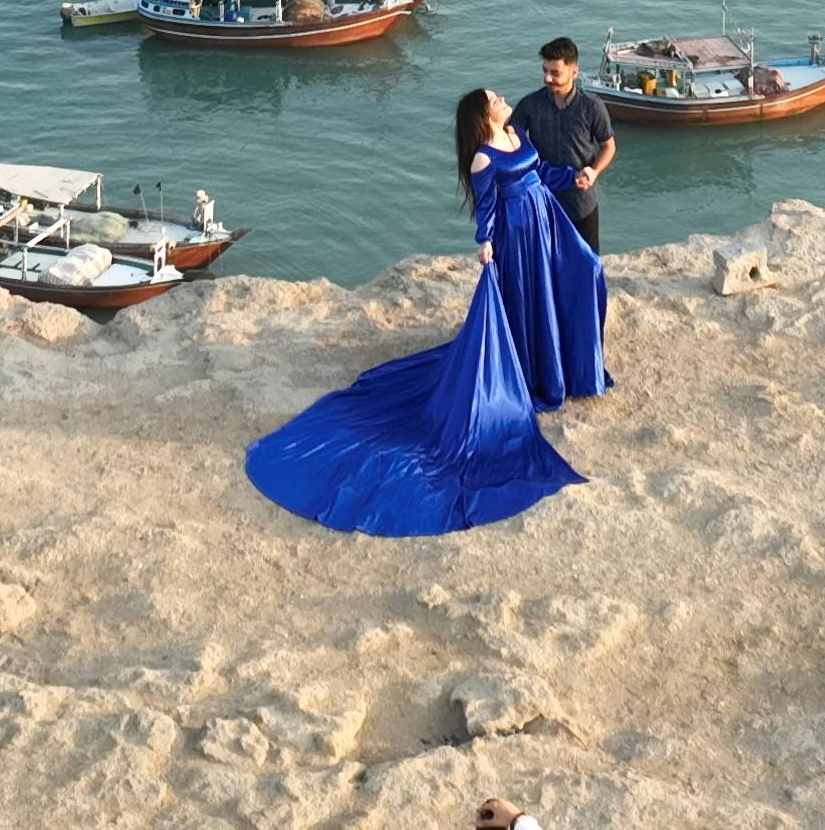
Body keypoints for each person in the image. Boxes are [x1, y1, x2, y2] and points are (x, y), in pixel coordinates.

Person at [240, 88, 609, 533]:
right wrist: (486, 244)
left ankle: (563, 367)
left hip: (546, 223)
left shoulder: (516, 135)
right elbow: (487, 208)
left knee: (585, 271)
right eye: (495, 97)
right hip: (517, 235)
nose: (503, 97)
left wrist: (574, 178)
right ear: (483, 113)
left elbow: (543, 172)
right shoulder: (483, 158)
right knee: (524, 304)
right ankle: (533, 372)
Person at [509, 37, 618, 251]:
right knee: (546, 267)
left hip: (581, 204)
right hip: (541, 204)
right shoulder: (529, 105)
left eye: (555, 73)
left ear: (574, 72)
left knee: (586, 266)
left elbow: (608, 146)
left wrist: (594, 172)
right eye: (545, 71)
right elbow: (509, 140)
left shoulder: (592, 107)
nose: (547, 78)